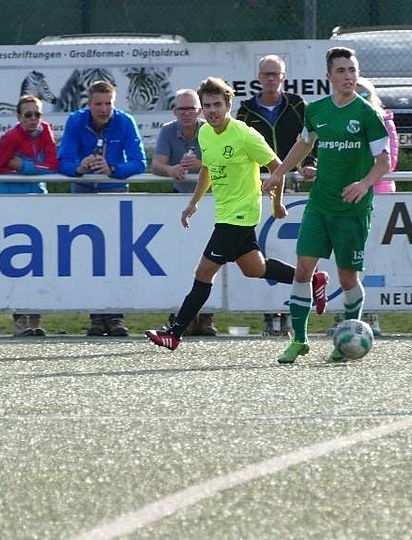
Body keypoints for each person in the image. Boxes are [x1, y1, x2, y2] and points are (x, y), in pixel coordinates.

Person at [144, 77, 327, 351]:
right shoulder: (205, 134)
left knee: (204, 272)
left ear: (228, 105)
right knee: (255, 268)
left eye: (217, 105)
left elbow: (277, 168)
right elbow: (208, 169)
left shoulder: (245, 135)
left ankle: (175, 333)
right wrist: (194, 203)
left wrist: (277, 205)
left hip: (240, 215)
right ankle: (313, 279)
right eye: (207, 106)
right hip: (225, 213)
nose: (212, 111)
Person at [264, 47, 391, 364]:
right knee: (303, 270)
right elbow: (304, 143)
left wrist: (363, 184)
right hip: (319, 205)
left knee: (347, 278)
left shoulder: (367, 114)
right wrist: (279, 173)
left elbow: (384, 161)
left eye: (353, 70)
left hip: (352, 210)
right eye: (342, 70)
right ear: (329, 76)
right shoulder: (317, 110)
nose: (349, 76)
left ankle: (347, 338)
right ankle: (299, 340)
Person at [59, 80, 147, 337]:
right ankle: (96, 316)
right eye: (98, 104)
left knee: (118, 255)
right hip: (83, 193)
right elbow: (63, 160)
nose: (104, 109)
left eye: (108, 103)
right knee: (87, 255)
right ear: (88, 104)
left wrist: (113, 169)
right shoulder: (76, 121)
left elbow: (139, 162)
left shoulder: (125, 121)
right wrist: (79, 167)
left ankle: (116, 316)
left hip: (114, 193)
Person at [236, 54, 315, 337]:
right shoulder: (246, 110)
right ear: (258, 78)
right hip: (258, 188)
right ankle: (271, 315)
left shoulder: (297, 105)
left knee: (290, 249)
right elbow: (239, 146)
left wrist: (309, 164)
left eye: (275, 74)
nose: (271, 79)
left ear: (283, 77)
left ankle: (293, 313)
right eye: (266, 74)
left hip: (291, 186)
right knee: (265, 251)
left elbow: (311, 139)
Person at [0, 94, 59, 337]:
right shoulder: (10, 138)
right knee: (17, 261)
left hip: (37, 199)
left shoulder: (46, 131)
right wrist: (32, 168)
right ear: (18, 117)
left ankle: (36, 319)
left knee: (39, 261)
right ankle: (20, 319)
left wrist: (23, 166)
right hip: (12, 201)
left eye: (37, 114)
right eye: (28, 115)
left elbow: (53, 165)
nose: (33, 119)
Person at [152, 88, 217, 336]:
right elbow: (156, 164)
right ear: (174, 111)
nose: (187, 113)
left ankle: (207, 316)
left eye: (191, 108)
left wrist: (200, 165)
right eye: (182, 109)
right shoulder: (168, 130)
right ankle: (179, 316)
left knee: (210, 261)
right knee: (179, 258)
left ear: (199, 110)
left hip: (210, 200)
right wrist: (171, 170)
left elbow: (221, 162)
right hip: (179, 201)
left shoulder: (211, 129)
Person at [356, 76, 399, 338]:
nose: (360, 99)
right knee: (349, 256)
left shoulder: (384, 122)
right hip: (349, 195)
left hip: (379, 196)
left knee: (374, 259)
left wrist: (361, 178)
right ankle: (349, 312)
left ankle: (373, 315)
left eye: (364, 95)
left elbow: (388, 162)